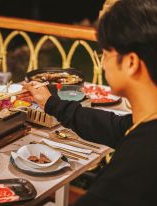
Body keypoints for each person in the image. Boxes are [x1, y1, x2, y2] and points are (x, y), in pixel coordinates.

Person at [23, 0, 157, 205]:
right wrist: (52, 103)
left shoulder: (136, 166)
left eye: (106, 53)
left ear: (131, 62)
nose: (102, 63)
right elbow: (115, 126)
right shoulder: (145, 124)